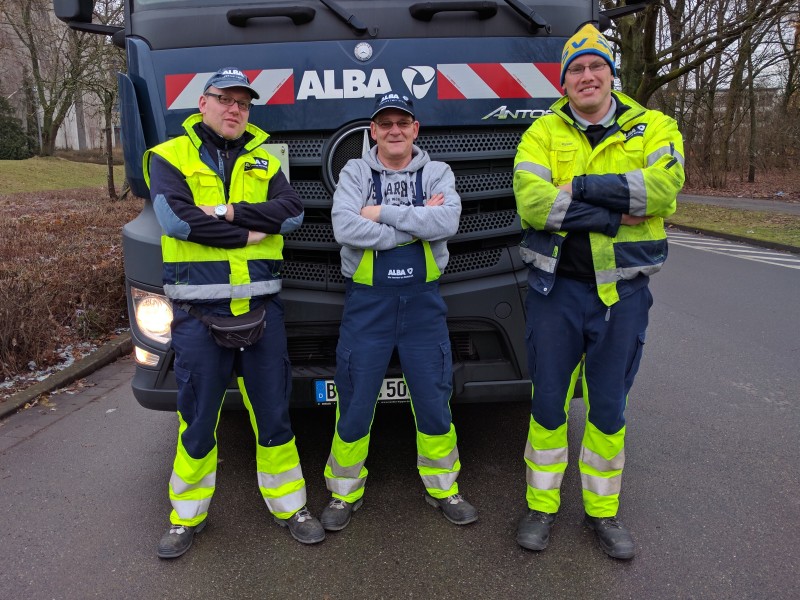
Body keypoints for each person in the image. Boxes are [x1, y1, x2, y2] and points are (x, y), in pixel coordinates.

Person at [512, 24, 685, 559]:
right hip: (555, 291)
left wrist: (581, 188)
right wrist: (617, 216)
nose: (587, 77)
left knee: (609, 406)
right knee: (547, 404)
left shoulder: (654, 127)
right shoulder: (541, 133)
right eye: (576, 70)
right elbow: (532, 203)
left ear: (612, 73)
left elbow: (664, 189)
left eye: (595, 67)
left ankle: (602, 513)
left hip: (623, 292)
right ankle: (541, 508)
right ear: (563, 82)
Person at [143, 67, 325, 559]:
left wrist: (222, 213)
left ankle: (291, 506)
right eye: (225, 99)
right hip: (198, 314)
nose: (235, 110)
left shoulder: (264, 159)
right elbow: (176, 221)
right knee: (198, 420)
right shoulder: (168, 156)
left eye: (243, 103)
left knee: (274, 415)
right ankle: (186, 518)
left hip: (262, 309)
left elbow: (291, 214)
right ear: (202, 103)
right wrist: (248, 229)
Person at [319, 92, 477, 531]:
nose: (394, 130)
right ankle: (343, 493)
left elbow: (446, 223)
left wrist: (382, 215)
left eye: (402, 123)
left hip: (423, 306)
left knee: (433, 397)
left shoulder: (437, 171)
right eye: (385, 123)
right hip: (367, 306)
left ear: (414, 129)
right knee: (354, 399)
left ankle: (444, 488)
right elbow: (343, 226)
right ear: (373, 131)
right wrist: (412, 226)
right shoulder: (355, 171)